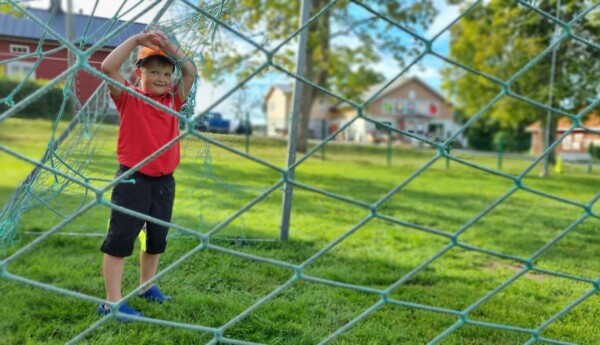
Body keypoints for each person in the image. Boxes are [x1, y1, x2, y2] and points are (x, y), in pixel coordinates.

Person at [98, 30, 196, 319]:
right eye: (154, 71)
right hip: (133, 180)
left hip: (164, 182)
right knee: (120, 239)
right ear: (139, 73)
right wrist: (138, 41)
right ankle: (111, 303)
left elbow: (190, 71)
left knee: (156, 239)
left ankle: (146, 287)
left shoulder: (173, 101)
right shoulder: (129, 97)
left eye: (167, 73)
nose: (162, 78)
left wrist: (167, 46)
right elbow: (107, 67)